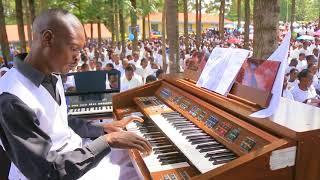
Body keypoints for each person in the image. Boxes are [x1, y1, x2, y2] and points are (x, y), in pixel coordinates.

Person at [0, 9, 151, 180]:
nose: (78, 58)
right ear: (47, 38)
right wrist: (108, 141)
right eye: (73, 48)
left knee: (141, 161)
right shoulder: (11, 98)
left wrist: (102, 129)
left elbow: (60, 120)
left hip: (75, 154)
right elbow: (47, 173)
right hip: (58, 170)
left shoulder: (52, 73)